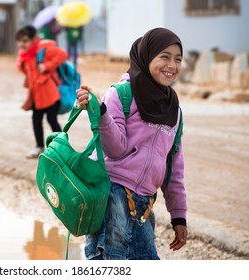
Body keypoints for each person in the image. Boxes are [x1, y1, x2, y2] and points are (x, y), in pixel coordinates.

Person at [76, 27, 187, 260]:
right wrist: (102, 112)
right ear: (147, 57)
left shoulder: (174, 111)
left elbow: (174, 169)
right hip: (113, 197)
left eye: (178, 59)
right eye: (164, 57)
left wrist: (178, 216)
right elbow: (115, 150)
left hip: (144, 204)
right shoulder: (121, 94)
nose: (172, 65)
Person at [15, 25, 67, 159]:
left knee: (52, 119)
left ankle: (62, 148)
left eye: (25, 41)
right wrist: (22, 61)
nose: (22, 44)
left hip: (50, 93)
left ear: (33, 39)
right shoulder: (24, 54)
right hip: (36, 94)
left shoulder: (44, 48)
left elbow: (62, 55)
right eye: (19, 41)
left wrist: (46, 66)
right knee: (36, 120)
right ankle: (39, 147)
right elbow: (22, 69)